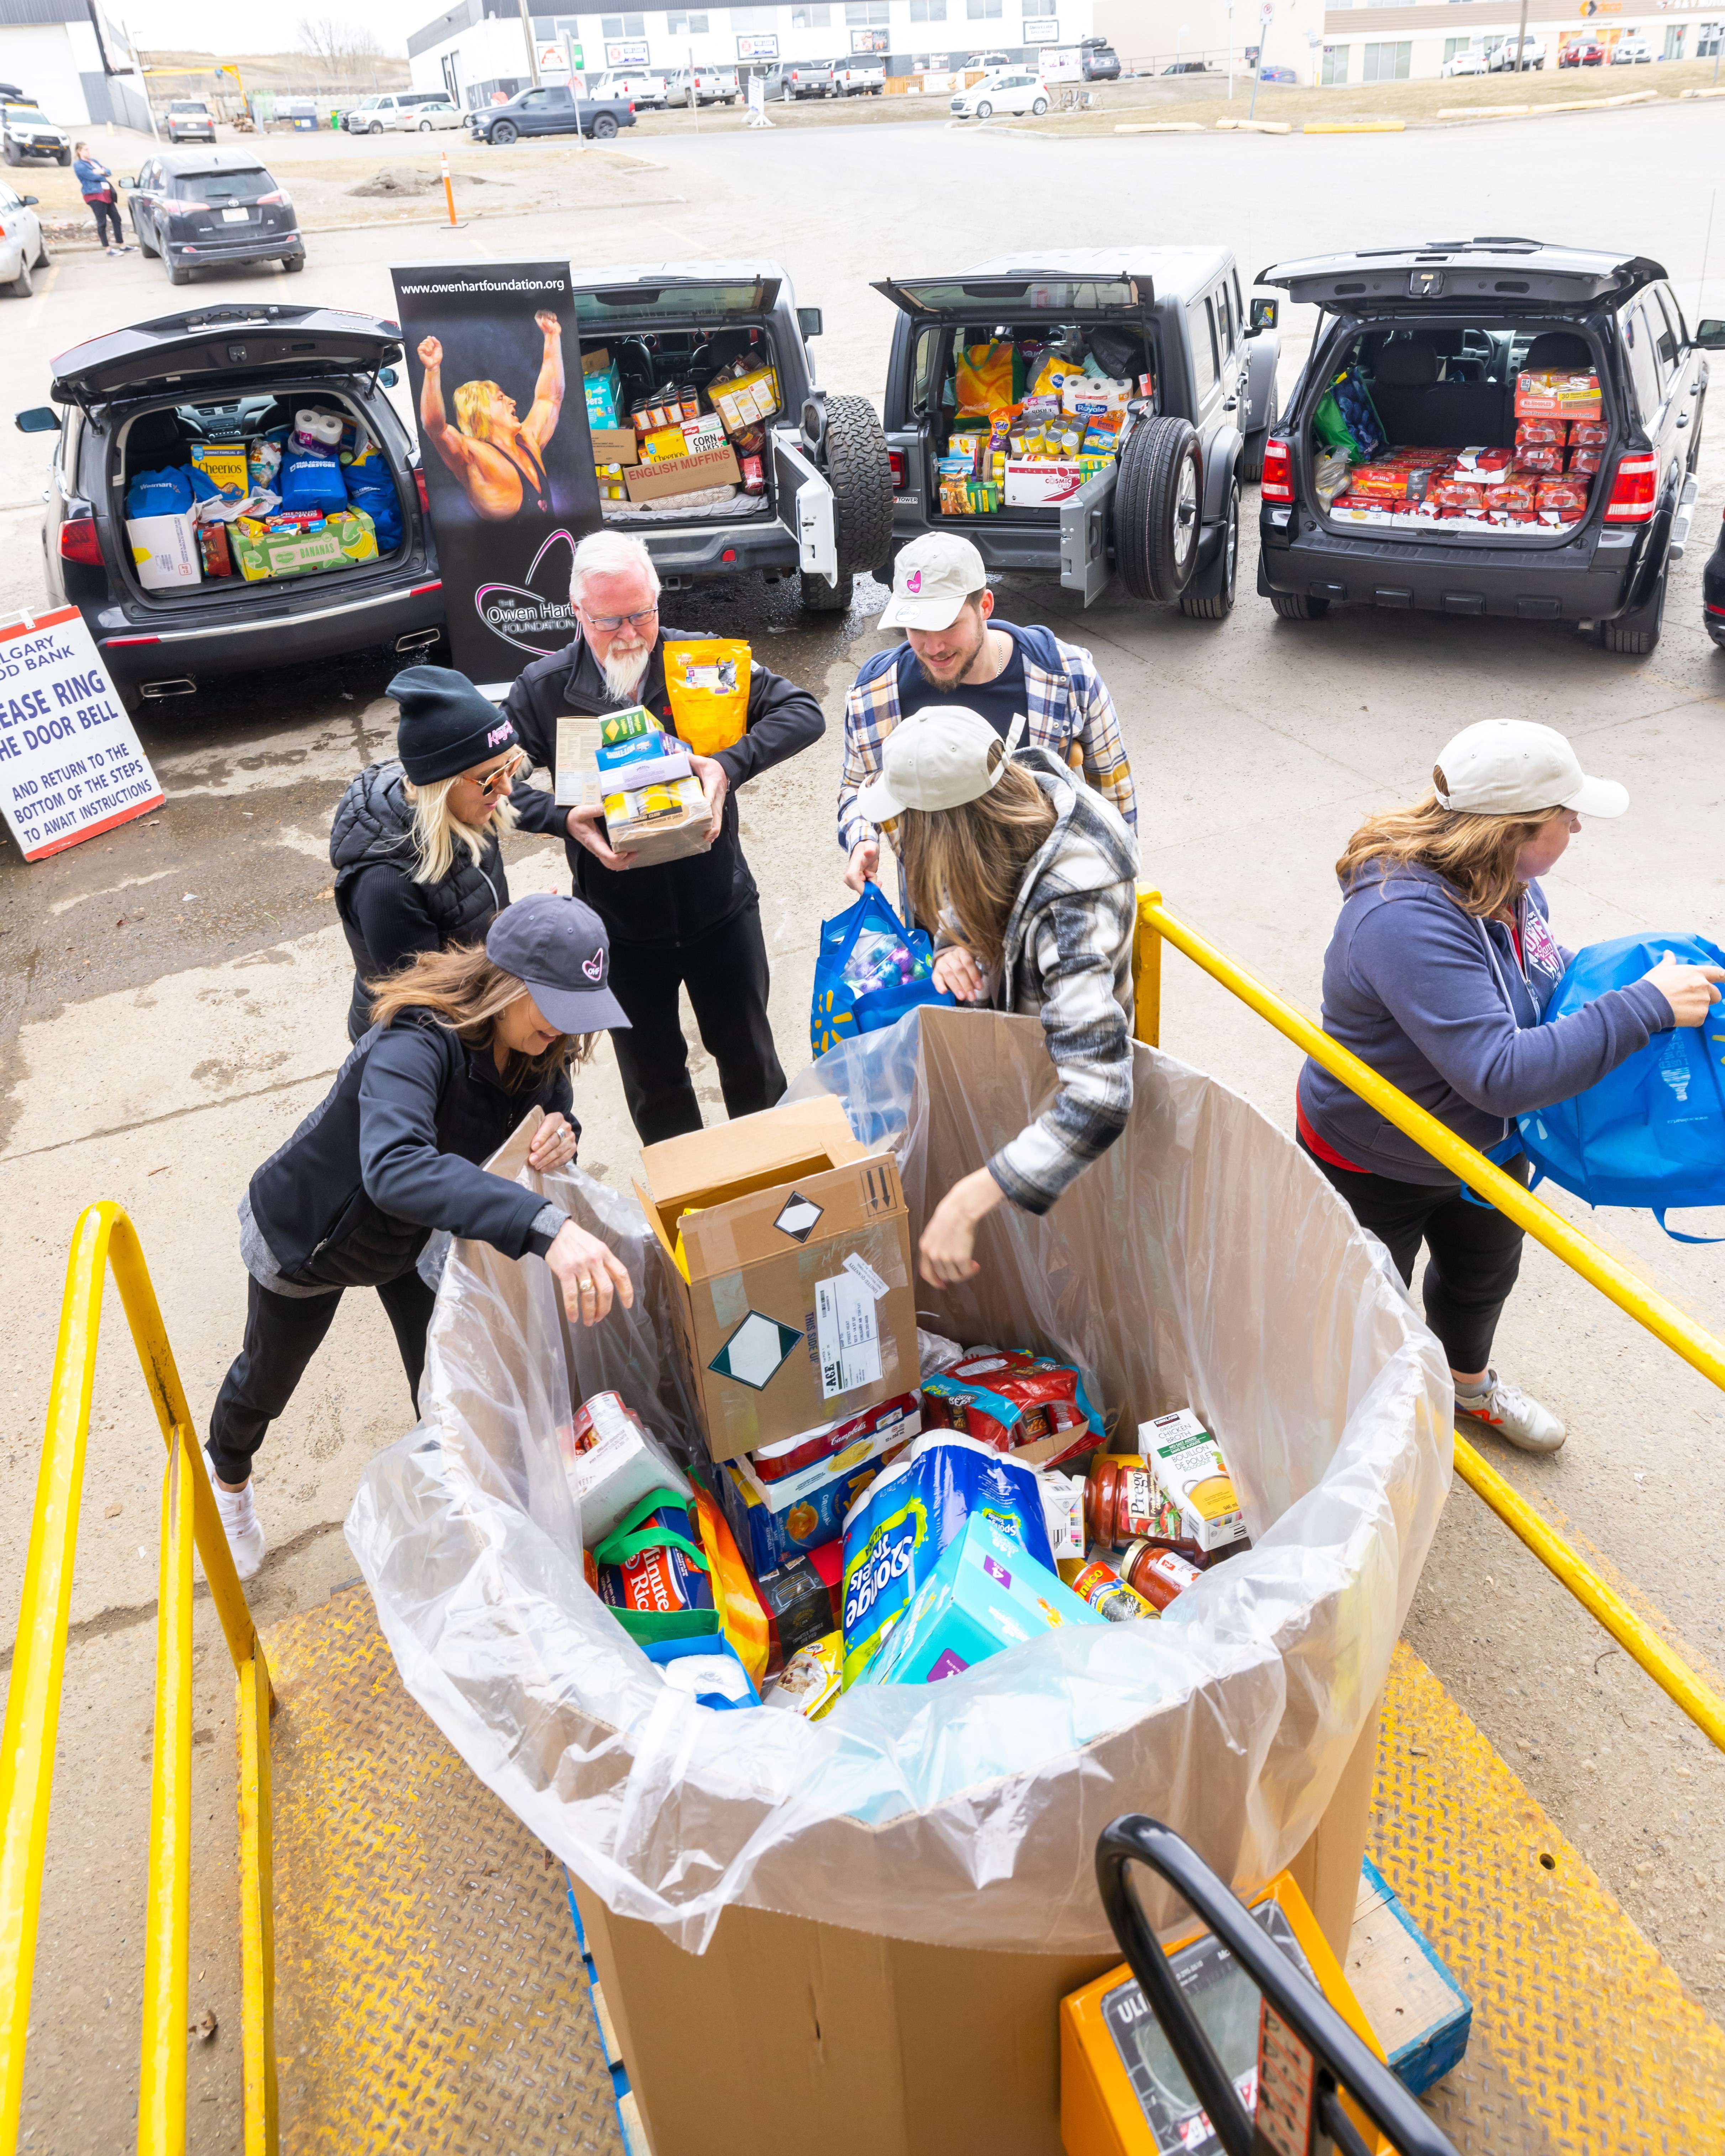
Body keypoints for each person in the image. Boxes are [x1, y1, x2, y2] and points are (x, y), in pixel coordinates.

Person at [1298, 719, 1723, 1455]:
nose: (1577, 826)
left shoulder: (1508, 881)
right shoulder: (1401, 917)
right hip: (1377, 1160)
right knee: (1359, 1311)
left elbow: (1536, 976)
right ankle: (1354, 1436)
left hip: (1488, 1154)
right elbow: (1497, 1073)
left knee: (1479, 1280)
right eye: (1564, 815)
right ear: (1509, 829)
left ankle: (1466, 1387)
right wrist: (1644, 1005)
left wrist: (1632, 979)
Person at [206, 895, 635, 1581]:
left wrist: (563, 1131)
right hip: (313, 1233)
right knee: (267, 1380)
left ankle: (470, 1531)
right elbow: (396, 1168)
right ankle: (226, 1473)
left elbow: (551, 1101)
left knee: (447, 1388)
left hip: (418, 1237)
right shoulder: (418, 1038)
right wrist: (544, 1227)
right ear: (510, 984)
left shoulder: (539, 1039)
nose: (562, 1034)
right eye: (555, 1010)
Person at [503, 529, 825, 1145]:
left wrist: (726, 766)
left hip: (720, 909)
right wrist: (559, 815)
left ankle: (781, 1201)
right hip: (619, 932)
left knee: (753, 1066)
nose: (629, 634)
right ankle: (692, 1215)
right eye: (609, 620)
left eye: (642, 614)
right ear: (577, 613)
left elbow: (803, 711)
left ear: (659, 600)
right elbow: (490, 787)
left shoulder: (700, 662)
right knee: (655, 1086)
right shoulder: (543, 690)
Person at [851, 707, 1140, 1288]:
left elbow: (1099, 1096)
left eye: (904, 825)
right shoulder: (1012, 806)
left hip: (1058, 1123)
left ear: (946, 832)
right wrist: (952, 943)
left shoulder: (1073, 913)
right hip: (1015, 1076)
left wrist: (966, 1200)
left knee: (1068, 1276)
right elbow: (968, 897)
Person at [838, 532, 1137, 900]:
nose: (933, 647)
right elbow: (857, 786)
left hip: (1046, 900)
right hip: (934, 907)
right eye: (916, 627)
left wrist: (1115, 886)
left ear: (985, 606)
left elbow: (1113, 791)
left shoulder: (1066, 675)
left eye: (948, 624)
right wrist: (862, 839)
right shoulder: (875, 695)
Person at [330, 664, 523, 1042]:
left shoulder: (469, 809)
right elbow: (426, 1012)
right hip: (425, 1051)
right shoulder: (385, 885)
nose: (507, 790)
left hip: (479, 1012)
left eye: (511, 766)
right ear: (440, 786)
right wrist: (521, 948)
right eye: (488, 779)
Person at [414, 309, 564, 520]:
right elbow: (435, 428)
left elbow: (549, 398)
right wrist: (432, 371)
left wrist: (552, 337)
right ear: (480, 412)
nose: (512, 401)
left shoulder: (528, 441)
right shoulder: (472, 453)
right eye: (501, 398)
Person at [71, 142, 126, 253]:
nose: (88, 151)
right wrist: (102, 174)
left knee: (117, 219)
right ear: (79, 151)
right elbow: (93, 177)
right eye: (86, 150)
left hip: (107, 194)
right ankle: (108, 248)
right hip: (95, 196)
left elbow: (109, 172)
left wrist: (102, 172)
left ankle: (122, 245)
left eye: (89, 149)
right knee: (102, 222)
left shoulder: (94, 162)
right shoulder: (79, 165)